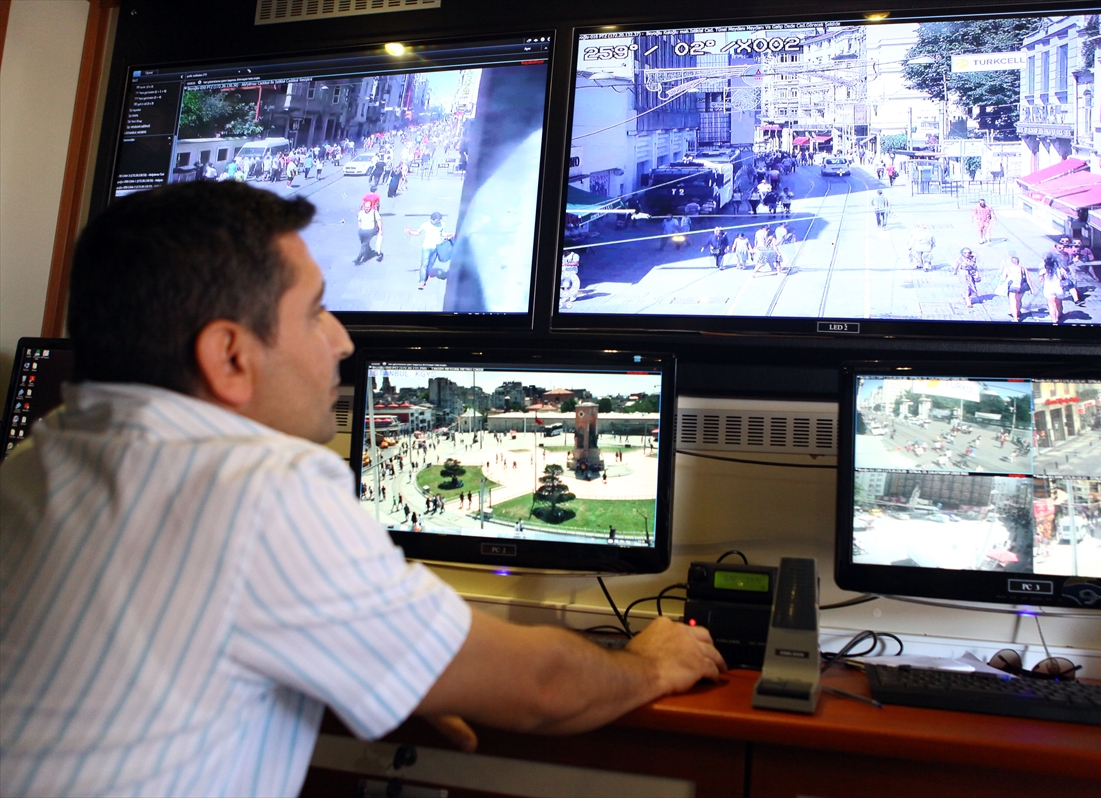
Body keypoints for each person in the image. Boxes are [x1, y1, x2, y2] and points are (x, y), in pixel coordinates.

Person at [0, 182, 725, 798]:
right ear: (228, 354)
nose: (342, 341)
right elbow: (543, 692)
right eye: (316, 311)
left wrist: (391, 657)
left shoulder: (41, 455)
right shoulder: (261, 485)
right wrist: (650, 661)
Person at [405, 211, 451, 289]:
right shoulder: (425, 225)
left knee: (431, 263)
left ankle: (428, 272)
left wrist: (450, 234)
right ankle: (422, 281)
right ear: (432, 219)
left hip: (436, 247)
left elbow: (442, 234)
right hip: (426, 247)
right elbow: (417, 232)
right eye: (436, 220)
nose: (437, 222)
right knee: (424, 264)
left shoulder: (442, 224)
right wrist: (409, 232)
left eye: (439, 220)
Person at [998, 250, 1033, 321]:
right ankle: (1018, 312)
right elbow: (1028, 279)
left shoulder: (1007, 269)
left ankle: (1015, 318)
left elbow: (1002, 279)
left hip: (1012, 287)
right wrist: (1032, 289)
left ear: (1011, 262)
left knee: (1013, 302)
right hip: (1022, 287)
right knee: (1019, 300)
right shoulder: (1023, 269)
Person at [354, 195, 382, 265]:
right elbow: (359, 220)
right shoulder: (361, 213)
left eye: (368, 207)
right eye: (365, 207)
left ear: (370, 207)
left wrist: (380, 229)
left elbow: (379, 221)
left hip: (370, 231)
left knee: (364, 244)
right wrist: (359, 228)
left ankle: (359, 258)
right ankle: (367, 253)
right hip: (362, 231)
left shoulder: (374, 212)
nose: (366, 209)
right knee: (364, 243)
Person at [1040, 254, 1066, 324]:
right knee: (1058, 303)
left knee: (1051, 305)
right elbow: (1067, 277)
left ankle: (1054, 320)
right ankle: (1059, 314)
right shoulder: (1060, 270)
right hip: (1059, 288)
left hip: (1048, 290)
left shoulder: (1043, 271)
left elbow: (1041, 280)